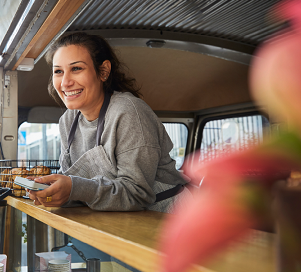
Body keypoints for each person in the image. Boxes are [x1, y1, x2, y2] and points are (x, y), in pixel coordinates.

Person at [28, 32, 192, 212]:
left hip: (169, 216)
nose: (65, 82)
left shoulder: (128, 112)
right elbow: (72, 181)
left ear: (103, 71)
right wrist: (49, 188)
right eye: (58, 71)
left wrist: (75, 189)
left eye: (76, 69)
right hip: (117, 219)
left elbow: (138, 193)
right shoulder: (68, 120)